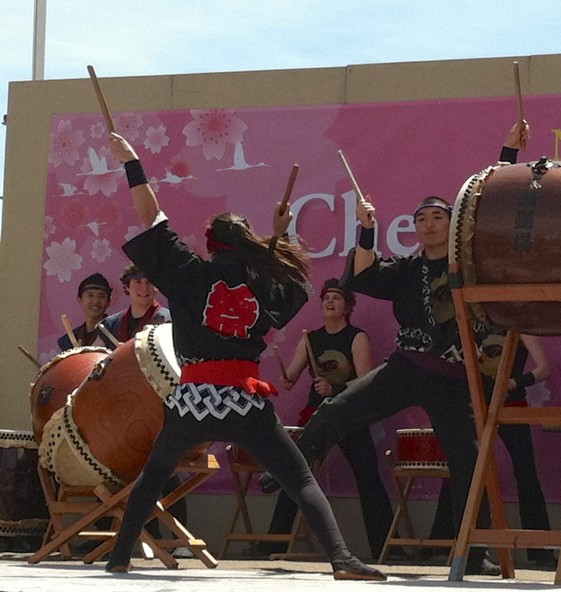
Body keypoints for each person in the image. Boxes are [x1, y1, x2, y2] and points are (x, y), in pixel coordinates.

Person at [102, 132, 384, 581]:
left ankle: (119, 556)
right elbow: (292, 278)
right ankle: (342, 560)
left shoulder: (188, 274)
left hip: (193, 398)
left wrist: (132, 162)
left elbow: (150, 214)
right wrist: (279, 235)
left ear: (211, 243)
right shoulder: (265, 282)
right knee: (300, 480)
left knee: (154, 473)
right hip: (244, 401)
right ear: (244, 243)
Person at [268, 120, 534, 577]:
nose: (428, 224)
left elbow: (485, 210)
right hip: (407, 367)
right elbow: (365, 274)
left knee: (471, 463)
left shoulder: (468, 265)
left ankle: (473, 553)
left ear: (452, 225)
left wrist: (507, 151)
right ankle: (289, 471)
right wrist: (367, 229)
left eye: (438, 217)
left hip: (453, 379)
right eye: (420, 219)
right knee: (334, 410)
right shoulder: (407, 270)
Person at [262, 279, 394, 559]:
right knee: (295, 473)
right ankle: (274, 543)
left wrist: (335, 389)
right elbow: (292, 376)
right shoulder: (311, 338)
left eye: (336, 298)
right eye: (326, 298)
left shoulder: (356, 337)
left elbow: (367, 381)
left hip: (349, 413)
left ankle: (386, 549)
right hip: (318, 416)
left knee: (368, 477)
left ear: (347, 305)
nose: (330, 302)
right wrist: (286, 378)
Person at [428, 332, 556, 566]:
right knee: (464, 468)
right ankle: (442, 540)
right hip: (474, 404)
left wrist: (514, 382)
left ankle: (541, 549)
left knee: (525, 471)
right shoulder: (476, 326)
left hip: (511, 403)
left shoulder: (520, 326)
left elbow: (543, 369)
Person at [101, 263, 171, 342]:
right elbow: (95, 353)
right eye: (138, 282)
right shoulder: (110, 325)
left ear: (157, 287)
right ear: (127, 286)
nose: (144, 288)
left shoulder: (169, 321)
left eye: (149, 282)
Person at [57, 272, 117, 350]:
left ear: (108, 302)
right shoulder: (68, 341)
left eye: (102, 296)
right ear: (80, 300)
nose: (95, 301)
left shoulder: (116, 332)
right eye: (90, 295)